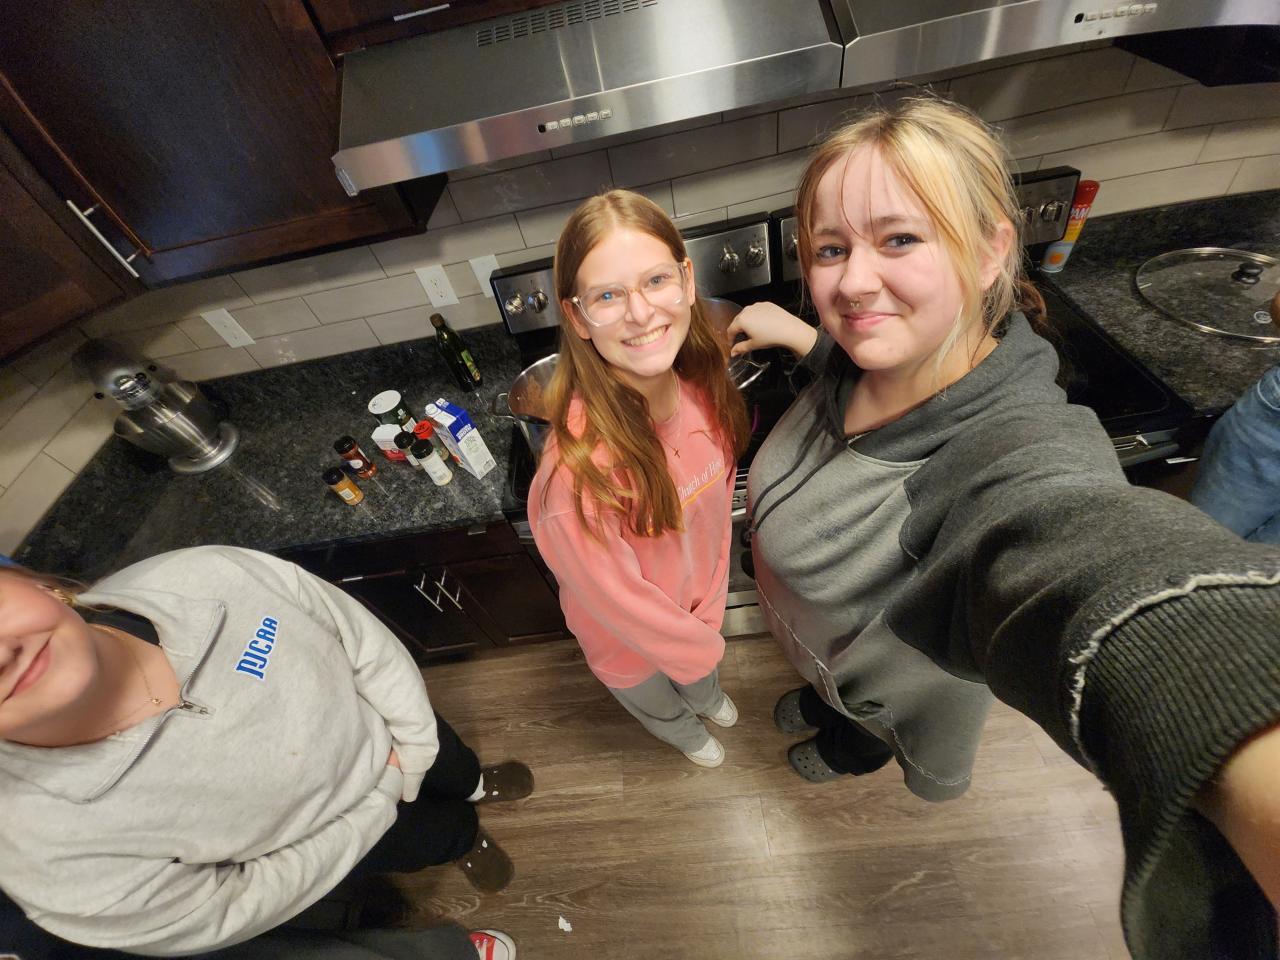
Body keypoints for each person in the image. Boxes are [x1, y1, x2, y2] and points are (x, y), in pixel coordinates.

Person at [727, 97, 1280, 959]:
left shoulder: (1008, 450)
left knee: (868, 726)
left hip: (885, 687)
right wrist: (803, 336)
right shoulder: (870, 361)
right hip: (819, 648)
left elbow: (1085, 549)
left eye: (899, 239)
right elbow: (856, 350)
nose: (852, 283)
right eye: (831, 249)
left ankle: (858, 744)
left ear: (989, 250)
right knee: (831, 695)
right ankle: (833, 705)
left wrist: (1236, 719)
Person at [0, 546, 532, 956]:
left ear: (35, 583)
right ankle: (464, 840)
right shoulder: (41, 854)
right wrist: (379, 801)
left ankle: (473, 784)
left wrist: (414, 737)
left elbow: (357, 634)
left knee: (450, 763)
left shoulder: (197, 576)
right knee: (429, 838)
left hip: (394, 726)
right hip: (345, 835)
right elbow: (232, 908)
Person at [528, 190, 751, 767]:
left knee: (701, 679)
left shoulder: (704, 390)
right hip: (624, 640)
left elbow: (712, 521)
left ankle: (706, 697)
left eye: (655, 281)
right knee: (656, 700)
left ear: (687, 280)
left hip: (699, 616)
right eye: (607, 295)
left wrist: (707, 621)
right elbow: (619, 602)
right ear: (577, 316)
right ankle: (686, 734)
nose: (641, 312)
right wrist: (701, 646)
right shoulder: (575, 477)